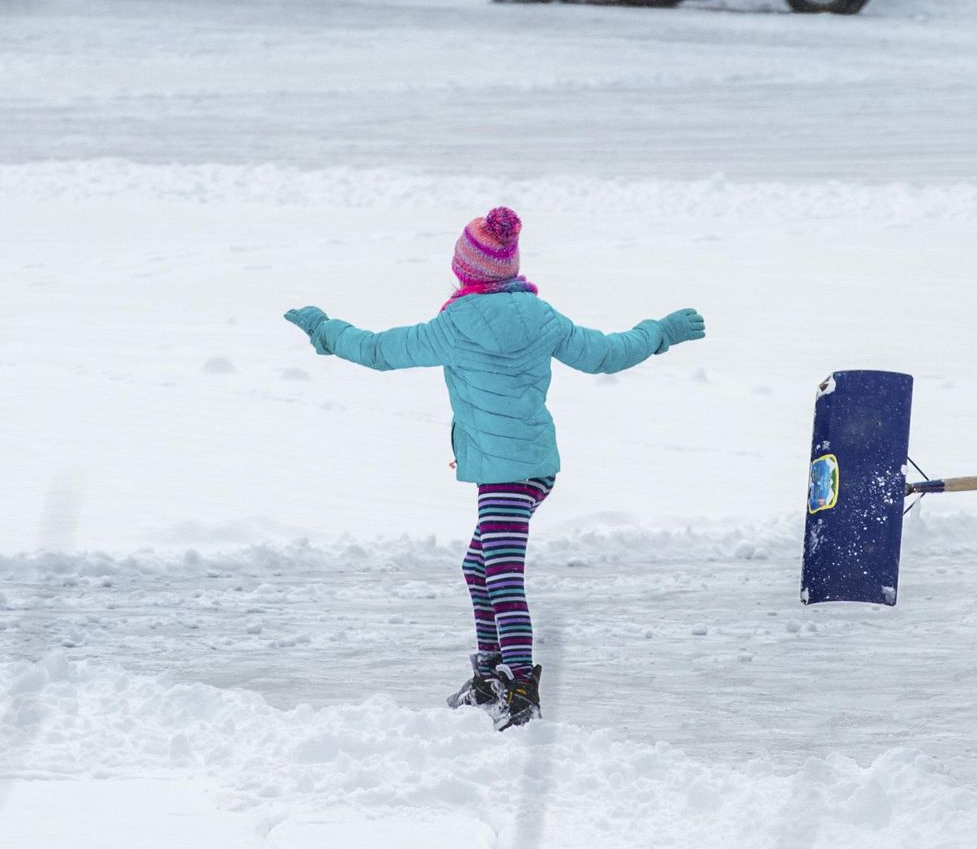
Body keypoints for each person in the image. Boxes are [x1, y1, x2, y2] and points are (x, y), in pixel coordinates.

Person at [282, 207, 705, 728]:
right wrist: (659, 331)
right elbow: (606, 355)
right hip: (533, 469)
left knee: (501, 573)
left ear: (464, 270)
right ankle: (491, 673)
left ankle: (521, 684)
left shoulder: (454, 326)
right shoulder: (541, 317)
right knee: (477, 566)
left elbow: (377, 351)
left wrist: (324, 329)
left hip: (506, 475)